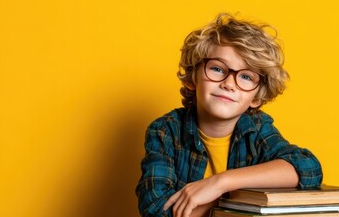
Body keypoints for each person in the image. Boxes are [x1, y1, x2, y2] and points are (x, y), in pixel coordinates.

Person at [135, 13, 323, 217]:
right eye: (217, 68)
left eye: (245, 76)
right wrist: (228, 200)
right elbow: (155, 209)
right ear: (192, 78)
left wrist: (221, 184)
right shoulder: (166, 130)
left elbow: (308, 168)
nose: (229, 84)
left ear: (256, 98)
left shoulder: (256, 129)